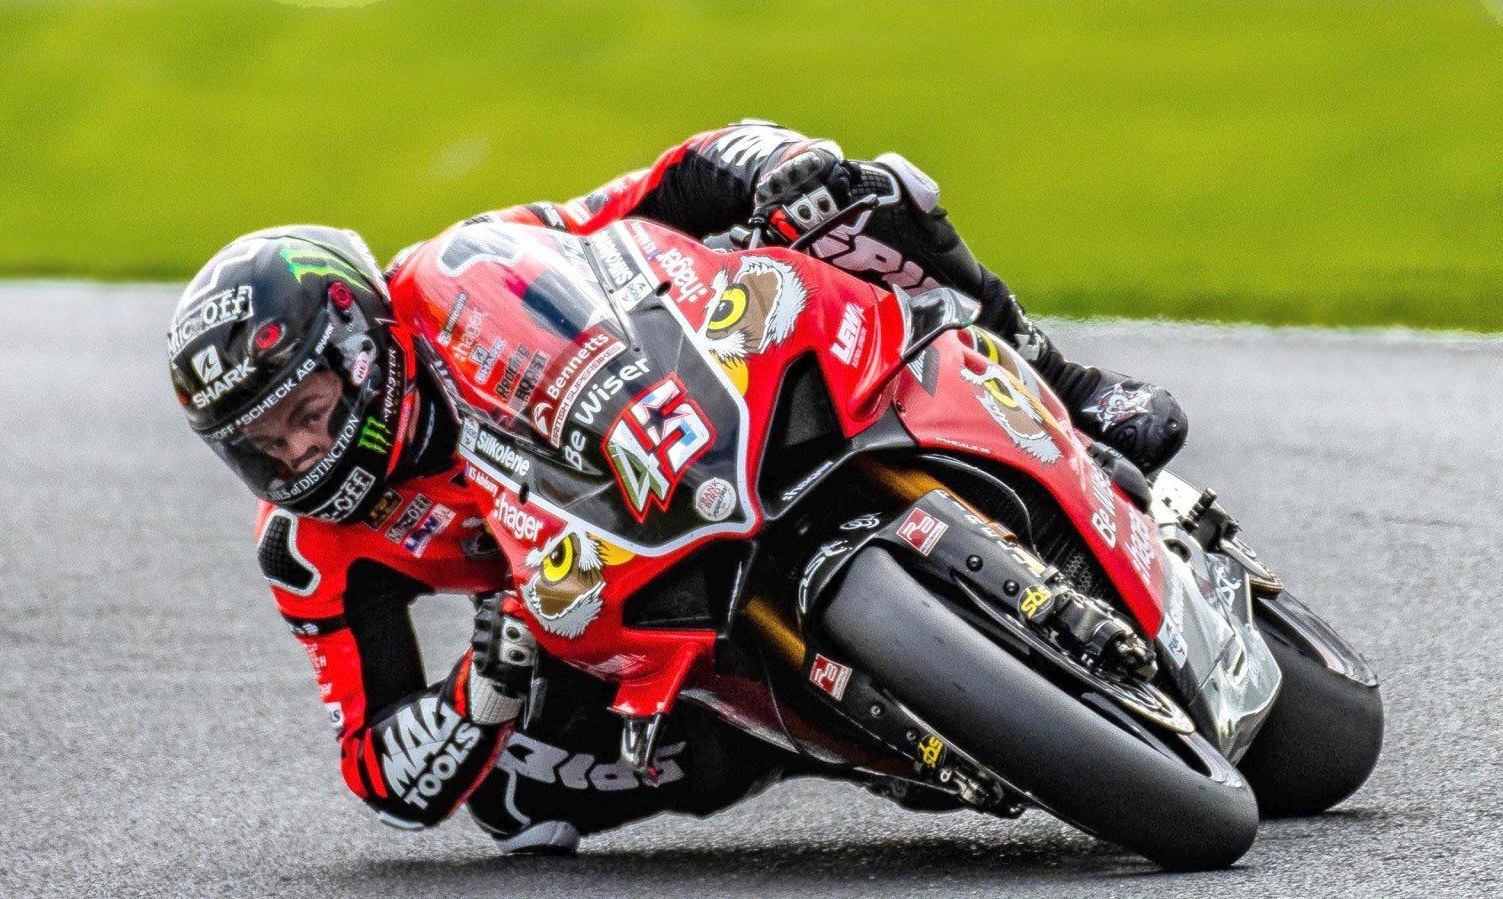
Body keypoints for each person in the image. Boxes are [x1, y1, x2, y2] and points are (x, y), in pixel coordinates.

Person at [167, 121, 1189, 854]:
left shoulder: (469, 272)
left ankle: (1068, 383)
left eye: (308, 408)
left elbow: (666, 184)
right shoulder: (310, 547)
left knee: (862, 196)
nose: (304, 453)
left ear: (360, 339)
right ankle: (804, 740)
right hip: (588, 586)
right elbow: (381, 775)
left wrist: (778, 167)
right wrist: (480, 691)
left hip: (693, 404)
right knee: (516, 801)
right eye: (269, 446)